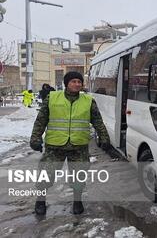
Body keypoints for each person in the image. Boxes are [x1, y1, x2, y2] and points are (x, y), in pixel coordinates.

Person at [30, 71, 110, 215]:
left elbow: (98, 121)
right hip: (55, 145)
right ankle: (40, 200)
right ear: (66, 83)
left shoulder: (88, 100)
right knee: (46, 174)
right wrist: (35, 138)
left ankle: (77, 201)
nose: (77, 84)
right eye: (73, 81)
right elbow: (41, 120)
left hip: (78, 146)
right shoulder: (52, 98)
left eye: (79, 82)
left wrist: (104, 138)